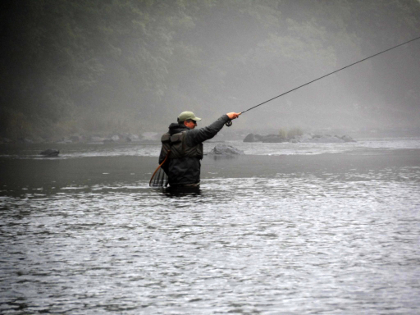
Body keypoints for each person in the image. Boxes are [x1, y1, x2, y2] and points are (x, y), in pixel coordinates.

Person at [159, 111, 241, 187]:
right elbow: (209, 131)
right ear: (186, 122)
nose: (196, 125)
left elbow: (162, 160)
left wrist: (175, 174)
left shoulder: (167, 137)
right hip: (190, 184)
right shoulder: (190, 135)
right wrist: (226, 117)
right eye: (194, 122)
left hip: (173, 183)